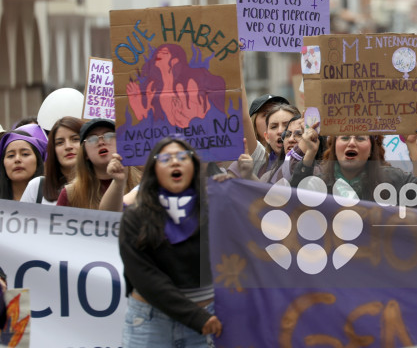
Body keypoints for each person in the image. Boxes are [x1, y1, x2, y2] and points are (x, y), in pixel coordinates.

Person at [119, 137, 222, 346]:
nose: (175, 162)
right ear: (153, 170)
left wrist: (229, 193)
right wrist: (195, 316)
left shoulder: (215, 209)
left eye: (183, 157)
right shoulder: (136, 217)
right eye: (166, 158)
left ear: (193, 166)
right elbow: (145, 276)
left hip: (207, 321)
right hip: (151, 324)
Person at [290, 123, 417, 202]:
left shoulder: (395, 180)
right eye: (345, 137)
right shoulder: (317, 182)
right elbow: (291, 201)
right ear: (333, 146)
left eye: (360, 138)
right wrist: (309, 153)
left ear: (371, 149)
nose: (351, 143)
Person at [126, 44, 227, 129]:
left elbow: (199, 117)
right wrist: (136, 105)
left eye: (165, 53)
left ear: (174, 60)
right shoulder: (152, 88)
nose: (159, 54)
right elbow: (146, 122)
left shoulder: (189, 83)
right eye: (158, 52)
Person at [57, 118, 140, 210]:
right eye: (92, 139)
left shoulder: (143, 183)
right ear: (85, 154)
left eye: (109, 135)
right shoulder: (70, 194)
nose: (101, 142)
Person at [228, 102, 300, 180]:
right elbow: (244, 118)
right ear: (267, 137)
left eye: (287, 125)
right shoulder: (265, 172)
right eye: (274, 127)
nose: (280, 131)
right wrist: (249, 175)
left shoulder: (310, 164)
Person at [21, 117, 83, 205]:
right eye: (60, 142)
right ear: (53, 150)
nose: (68, 146)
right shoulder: (37, 186)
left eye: (75, 139)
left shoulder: (102, 186)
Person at [0, 125, 47, 201]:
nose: (17, 159)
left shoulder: (54, 199)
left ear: (38, 160)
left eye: (25, 154)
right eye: (11, 155)